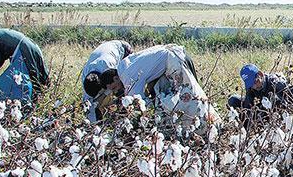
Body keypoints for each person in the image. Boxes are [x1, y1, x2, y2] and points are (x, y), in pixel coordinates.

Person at [85, 44, 217, 134]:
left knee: (186, 98)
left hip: (173, 61)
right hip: (171, 56)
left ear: (115, 78)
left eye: (114, 87)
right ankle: (205, 125)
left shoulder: (127, 79)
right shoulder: (124, 64)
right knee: (181, 97)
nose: (117, 90)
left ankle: (207, 127)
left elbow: (140, 104)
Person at [227, 63, 293, 126]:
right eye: (251, 84)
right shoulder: (251, 88)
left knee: (273, 99)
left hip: (277, 112)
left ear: (260, 74)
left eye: (255, 82)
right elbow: (248, 107)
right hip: (261, 112)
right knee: (233, 100)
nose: (254, 86)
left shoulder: (274, 82)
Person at [82, 40, 133, 122]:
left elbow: (120, 82)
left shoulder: (109, 67)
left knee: (122, 90)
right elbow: (89, 106)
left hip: (122, 48)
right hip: (104, 52)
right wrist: (92, 123)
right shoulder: (87, 82)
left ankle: (125, 118)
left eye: (100, 92)